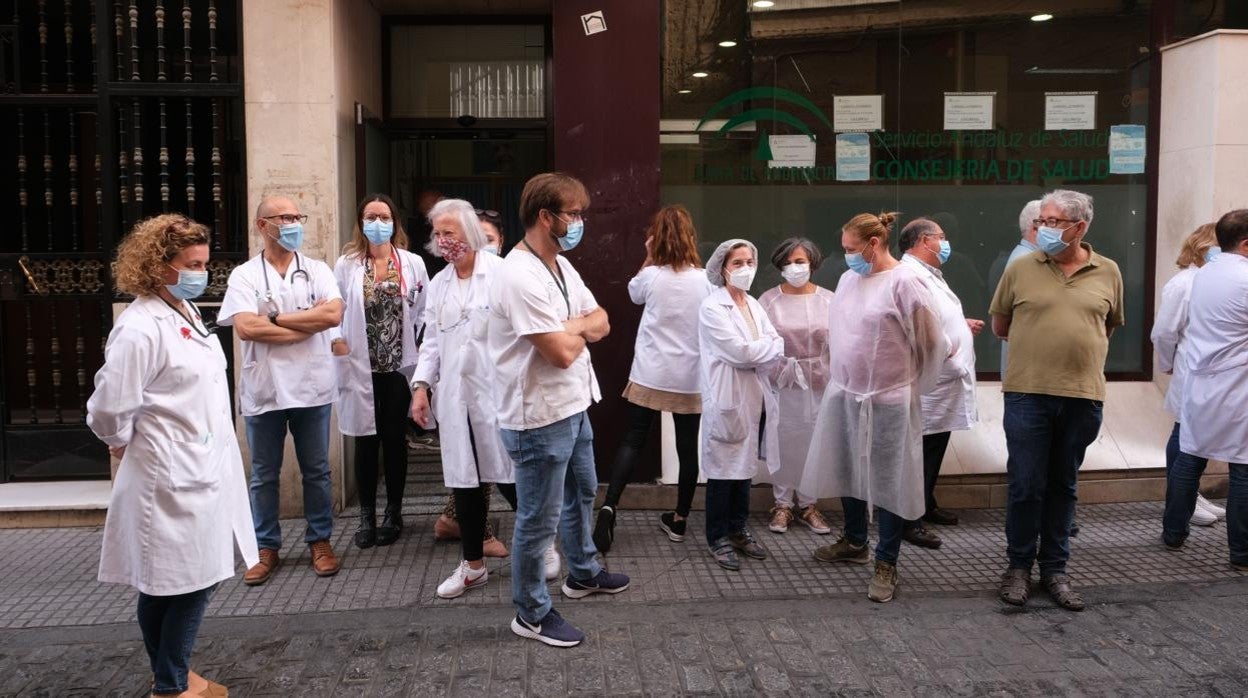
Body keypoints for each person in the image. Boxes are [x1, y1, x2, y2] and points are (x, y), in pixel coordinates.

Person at [87, 214, 257, 697]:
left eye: (204, 264)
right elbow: (109, 404)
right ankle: (172, 685)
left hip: (199, 466)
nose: (201, 273)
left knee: (167, 583)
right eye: (191, 264)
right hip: (168, 475)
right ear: (159, 266)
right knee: (189, 584)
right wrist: (117, 439)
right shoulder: (140, 327)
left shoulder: (184, 311)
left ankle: (173, 677)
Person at [489, 172, 630, 647]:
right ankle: (530, 612)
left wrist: (572, 324)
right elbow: (560, 352)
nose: (579, 222)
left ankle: (583, 572)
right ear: (546, 217)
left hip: (574, 404)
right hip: (538, 416)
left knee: (584, 490)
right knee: (537, 520)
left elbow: (603, 320)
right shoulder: (517, 274)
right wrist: (576, 329)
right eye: (573, 213)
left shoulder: (562, 267)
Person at [800, 212, 947, 604]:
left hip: (889, 398)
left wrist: (909, 381)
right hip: (847, 392)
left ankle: (887, 561)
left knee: (889, 482)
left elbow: (931, 342)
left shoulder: (906, 281)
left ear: (874, 244)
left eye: (851, 249)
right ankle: (854, 540)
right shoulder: (850, 279)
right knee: (849, 469)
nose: (846, 256)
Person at [991, 189, 1124, 611]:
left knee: (1063, 484)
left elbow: (1109, 325)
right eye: (1042, 221)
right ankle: (1017, 568)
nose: (1043, 228)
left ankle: (1055, 569)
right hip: (1028, 393)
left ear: (1080, 227)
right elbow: (1000, 325)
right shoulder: (1021, 267)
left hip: (1082, 395)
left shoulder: (1109, 271)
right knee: (1027, 483)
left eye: (1053, 222)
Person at [218, 195, 345, 585]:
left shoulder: (318, 269)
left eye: (296, 216)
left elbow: (333, 314)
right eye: (283, 217)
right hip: (265, 388)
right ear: (262, 225)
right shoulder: (244, 275)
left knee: (317, 471)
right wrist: (303, 327)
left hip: (311, 387)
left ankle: (320, 542)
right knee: (263, 474)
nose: (292, 222)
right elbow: (245, 327)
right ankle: (264, 548)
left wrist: (275, 319)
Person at [408, 198, 522, 599]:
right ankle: (473, 565)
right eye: (437, 234)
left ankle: (541, 548)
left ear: (471, 233)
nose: (442, 242)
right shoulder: (439, 284)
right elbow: (432, 344)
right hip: (457, 399)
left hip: (499, 395)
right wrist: (421, 387)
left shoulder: (503, 275)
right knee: (466, 484)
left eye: (449, 233)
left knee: (513, 478)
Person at [592, 205, 713, 552]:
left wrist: (648, 257)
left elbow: (633, 294)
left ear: (655, 238)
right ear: (691, 236)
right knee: (687, 448)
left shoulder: (652, 276)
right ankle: (679, 519)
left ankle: (610, 507)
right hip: (690, 376)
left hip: (650, 371)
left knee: (633, 439)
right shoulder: (705, 279)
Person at [332, 194, 429, 549]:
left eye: (384, 216)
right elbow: (334, 309)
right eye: (370, 216)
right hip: (360, 365)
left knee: (394, 441)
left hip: (398, 367)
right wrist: (336, 341)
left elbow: (425, 311)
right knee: (364, 440)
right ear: (360, 222)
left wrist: (421, 351)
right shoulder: (346, 265)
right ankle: (366, 516)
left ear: (395, 222)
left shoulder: (412, 262)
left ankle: (394, 512)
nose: (378, 223)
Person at [896, 218, 983, 550]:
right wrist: (948, 350)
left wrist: (961, 324)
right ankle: (910, 520)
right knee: (922, 450)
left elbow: (933, 315)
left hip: (945, 374)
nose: (945, 244)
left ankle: (926, 503)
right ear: (923, 241)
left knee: (935, 445)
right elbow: (915, 323)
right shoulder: (910, 276)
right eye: (941, 238)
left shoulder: (927, 273)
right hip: (931, 376)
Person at [699, 239, 785, 570]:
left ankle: (738, 528)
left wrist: (760, 347)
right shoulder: (711, 308)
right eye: (737, 263)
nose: (745, 268)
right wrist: (763, 347)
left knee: (745, 469)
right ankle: (717, 536)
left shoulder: (753, 304)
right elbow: (740, 352)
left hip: (753, 397)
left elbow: (777, 341)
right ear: (723, 268)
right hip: (727, 398)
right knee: (723, 471)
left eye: (750, 261)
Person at [1174, 209, 1248, 570]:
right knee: (1244, 468)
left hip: (1202, 380)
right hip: (1238, 386)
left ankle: (1173, 534)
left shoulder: (1203, 274)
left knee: (1191, 459)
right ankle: (1242, 554)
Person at [758, 237, 834, 536]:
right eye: (788, 262)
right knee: (783, 438)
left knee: (815, 439)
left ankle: (809, 503)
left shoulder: (829, 299)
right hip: (783, 379)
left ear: (812, 263)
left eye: (800, 261)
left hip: (820, 379)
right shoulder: (768, 300)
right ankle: (782, 504)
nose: (794, 267)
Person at [1154, 224, 1227, 535]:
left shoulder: (1213, 280)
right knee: (1185, 436)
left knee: (1192, 436)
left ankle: (1188, 497)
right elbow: (1164, 332)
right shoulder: (1183, 283)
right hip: (1191, 369)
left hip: (1209, 372)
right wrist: (1167, 364)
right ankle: (1182, 503)